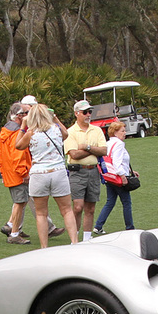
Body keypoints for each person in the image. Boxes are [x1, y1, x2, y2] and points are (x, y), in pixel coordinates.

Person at [15, 104, 73, 248]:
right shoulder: (56, 129)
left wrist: (23, 126)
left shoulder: (31, 133)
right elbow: (66, 134)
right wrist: (56, 119)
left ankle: (44, 247)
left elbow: (18, 145)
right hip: (58, 171)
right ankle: (75, 242)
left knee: (41, 214)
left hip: (39, 174)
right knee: (66, 210)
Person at [64, 100, 106, 242]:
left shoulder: (97, 130)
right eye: (85, 112)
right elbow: (73, 154)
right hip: (77, 172)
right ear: (77, 114)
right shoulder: (70, 132)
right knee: (77, 206)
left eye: (90, 112)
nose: (88, 115)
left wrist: (87, 147)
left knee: (91, 207)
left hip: (93, 171)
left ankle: (87, 239)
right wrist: (94, 150)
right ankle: (74, 239)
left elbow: (104, 150)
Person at [0, 101, 32, 244]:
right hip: (18, 174)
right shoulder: (17, 133)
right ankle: (14, 234)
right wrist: (24, 173)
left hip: (10, 173)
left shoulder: (5, 131)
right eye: (26, 113)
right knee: (20, 202)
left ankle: (12, 226)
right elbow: (18, 155)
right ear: (19, 116)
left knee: (21, 201)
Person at [94, 120, 134, 233]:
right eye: (122, 131)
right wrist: (123, 175)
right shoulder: (119, 144)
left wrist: (130, 171)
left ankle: (98, 225)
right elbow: (117, 162)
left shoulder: (108, 143)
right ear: (115, 132)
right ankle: (130, 227)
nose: (125, 133)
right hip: (117, 177)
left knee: (110, 201)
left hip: (109, 176)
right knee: (126, 202)